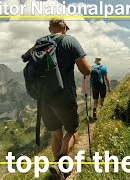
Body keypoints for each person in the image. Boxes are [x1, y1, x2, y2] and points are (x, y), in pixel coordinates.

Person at [42, 19, 91, 179]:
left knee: (56, 134)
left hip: (43, 97)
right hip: (63, 96)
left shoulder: (40, 42)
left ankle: (60, 172)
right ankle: (61, 162)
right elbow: (86, 70)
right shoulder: (69, 40)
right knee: (72, 130)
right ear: (64, 28)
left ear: (50, 28)